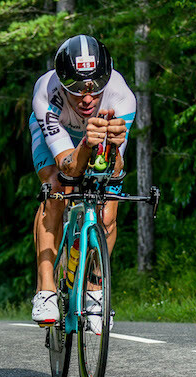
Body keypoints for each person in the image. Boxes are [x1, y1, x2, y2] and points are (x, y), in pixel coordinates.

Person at [30, 35, 136, 332]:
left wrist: (112, 146)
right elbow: (67, 167)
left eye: (94, 87)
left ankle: (94, 288)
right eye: (76, 89)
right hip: (60, 136)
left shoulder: (122, 98)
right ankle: (46, 288)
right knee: (54, 188)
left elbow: (114, 169)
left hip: (94, 137)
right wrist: (86, 145)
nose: (87, 98)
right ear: (62, 84)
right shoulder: (46, 93)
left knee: (108, 212)